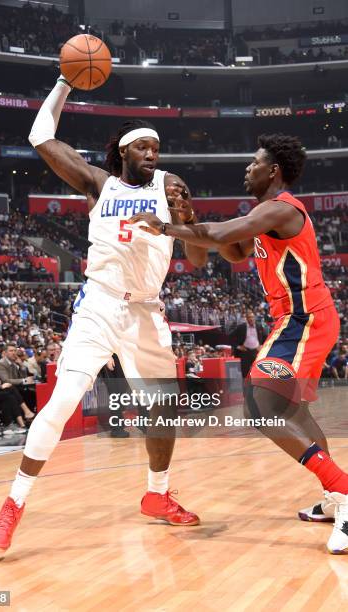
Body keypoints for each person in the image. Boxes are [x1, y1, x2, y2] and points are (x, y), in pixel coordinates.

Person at [0, 75, 207, 552]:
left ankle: (157, 494)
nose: (152, 154)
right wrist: (65, 81)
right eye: (143, 147)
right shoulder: (98, 184)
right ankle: (13, 504)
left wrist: (182, 223)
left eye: (156, 148)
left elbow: (199, 259)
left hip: (148, 312)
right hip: (100, 304)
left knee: (164, 413)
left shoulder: (172, 186)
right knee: (63, 401)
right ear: (124, 153)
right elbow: (40, 136)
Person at [130, 133, 348, 554]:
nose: (246, 168)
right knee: (291, 411)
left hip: (305, 318)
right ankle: (333, 494)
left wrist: (167, 226)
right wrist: (187, 215)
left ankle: (344, 491)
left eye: (254, 162)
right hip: (300, 320)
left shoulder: (282, 209)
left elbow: (225, 232)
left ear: (273, 171)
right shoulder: (264, 213)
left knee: (260, 404)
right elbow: (232, 250)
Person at [230, 310, 268, 378]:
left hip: (256, 352)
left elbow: (266, 336)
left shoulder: (259, 326)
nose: (251, 319)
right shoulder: (241, 327)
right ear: (246, 319)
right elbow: (231, 337)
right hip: (245, 352)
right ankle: (246, 387)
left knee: (258, 371)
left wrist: (262, 346)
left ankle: (257, 387)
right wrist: (238, 347)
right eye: (249, 317)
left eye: (252, 317)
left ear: (254, 318)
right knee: (245, 373)